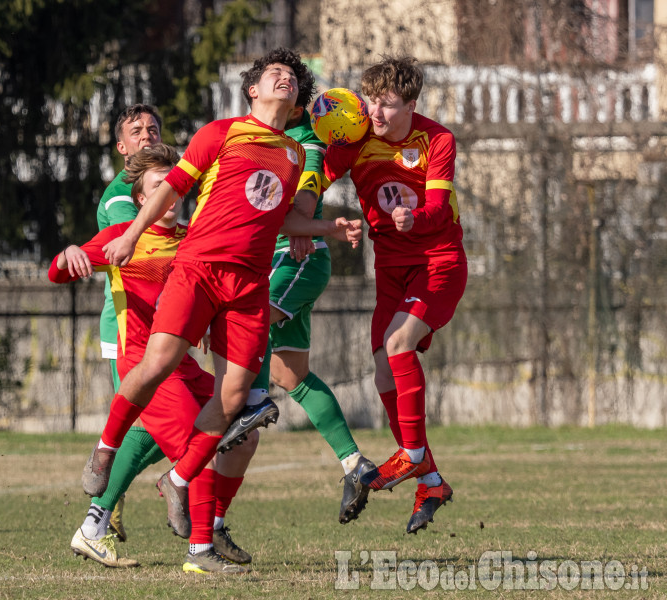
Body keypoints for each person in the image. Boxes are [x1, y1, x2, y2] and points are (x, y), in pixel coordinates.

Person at [81, 48, 361, 541]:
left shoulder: (295, 154)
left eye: (292, 77)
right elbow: (170, 189)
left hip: (247, 285)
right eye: (274, 74)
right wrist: (128, 236)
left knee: (234, 404)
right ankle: (105, 449)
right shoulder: (219, 133)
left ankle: (178, 480)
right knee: (159, 363)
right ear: (252, 89)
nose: (285, 80)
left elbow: (282, 218)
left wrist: (329, 229)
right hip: (199, 271)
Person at [52, 146, 255, 573]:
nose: (169, 193)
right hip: (144, 365)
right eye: (158, 185)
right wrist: (67, 254)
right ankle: (200, 553)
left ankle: (131, 510)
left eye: (174, 185)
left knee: (242, 430)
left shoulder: (192, 240)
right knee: (198, 444)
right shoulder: (124, 236)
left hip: (182, 366)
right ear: (143, 199)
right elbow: (58, 271)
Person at [319, 56, 467, 534]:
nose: (375, 114)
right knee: (383, 362)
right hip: (390, 270)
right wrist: (303, 219)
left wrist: (415, 218)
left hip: (437, 262)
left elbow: (440, 209)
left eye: (386, 105)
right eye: (371, 102)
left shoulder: (436, 139)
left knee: (399, 344)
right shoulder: (357, 138)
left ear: (411, 105)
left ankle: (414, 454)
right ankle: (431, 481)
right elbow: (315, 177)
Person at [216, 97, 375, 525]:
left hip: (295, 260)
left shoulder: (306, 140)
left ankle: (252, 404)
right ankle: (353, 463)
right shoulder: (266, 137)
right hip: (286, 258)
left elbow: (303, 203)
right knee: (292, 374)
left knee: (252, 324)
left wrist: (304, 221)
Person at [95, 104, 166, 541]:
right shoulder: (123, 194)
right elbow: (140, 249)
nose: (146, 135)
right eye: (136, 131)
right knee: (160, 423)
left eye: (152, 128)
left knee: (173, 421)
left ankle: (106, 488)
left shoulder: (165, 188)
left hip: (162, 325)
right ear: (122, 147)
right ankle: (101, 506)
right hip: (128, 326)